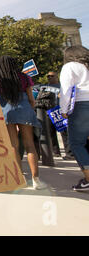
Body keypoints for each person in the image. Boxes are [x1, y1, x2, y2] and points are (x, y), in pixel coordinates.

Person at [0, 56, 47, 190]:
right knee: (29, 145)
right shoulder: (24, 77)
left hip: (7, 112)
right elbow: (31, 98)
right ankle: (36, 180)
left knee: (13, 146)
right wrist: (30, 109)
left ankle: (19, 178)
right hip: (24, 109)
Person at [60, 45, 89, 191]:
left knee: (76, 143)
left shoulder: (70, 67)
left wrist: (63, 110)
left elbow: (66, 89)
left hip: (81, 104)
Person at [46, 71, 75, 160]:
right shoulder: (45, 87)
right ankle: (56, 152)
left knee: (64, 133)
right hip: (50, 112)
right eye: (48, 76)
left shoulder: (62, 86)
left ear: (57, 77)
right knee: (51, 133)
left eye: (52, 76)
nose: (49, 78)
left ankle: (69, 153)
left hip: (61, 111)